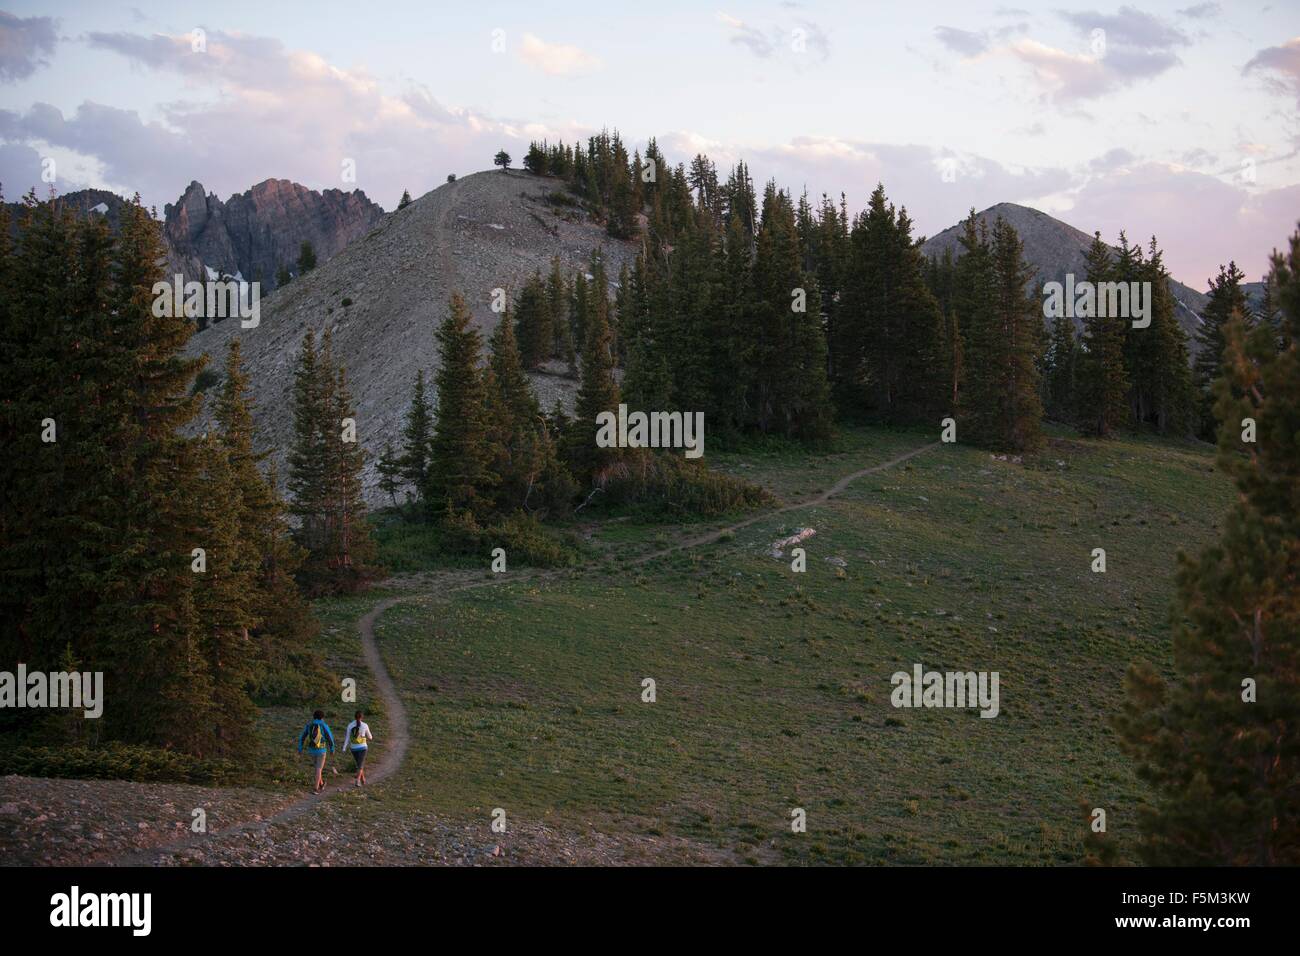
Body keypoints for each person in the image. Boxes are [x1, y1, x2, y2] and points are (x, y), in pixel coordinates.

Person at [297, 709, 335, 793]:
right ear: (322, 717)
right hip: (321, 750)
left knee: (317, 769)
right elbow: (330, 738)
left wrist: (300, 748)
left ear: (313, 716)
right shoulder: (324, 725)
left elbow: (302, 737)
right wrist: (332, 749)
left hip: (311, 750)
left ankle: (321, 784)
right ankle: (316, 788)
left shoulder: (309, 725)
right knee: (319, 769)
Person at [342, 710, 373, 786]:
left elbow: (347, 738)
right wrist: (365, 736)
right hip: (363, 747)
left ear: (354, 717)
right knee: (360, 765)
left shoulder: (350, 725)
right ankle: (358, 780)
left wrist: (344, 748)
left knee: (359, 764)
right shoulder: (365, 725)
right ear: (362, 717)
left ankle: (362, 779)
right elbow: (370, 737)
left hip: (353, 748)